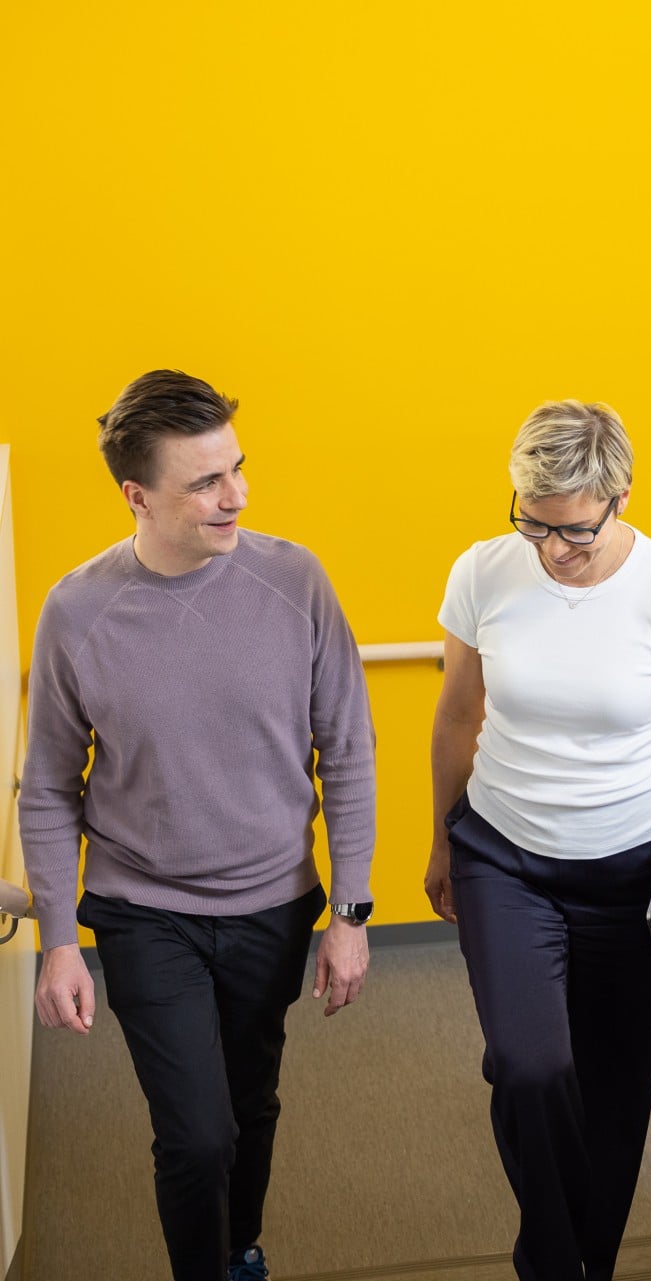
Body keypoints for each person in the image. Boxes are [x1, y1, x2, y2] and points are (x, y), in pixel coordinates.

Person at [19, 369, 376, 1281]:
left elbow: (349, 749)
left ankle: (237, 1246)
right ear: (137, 495)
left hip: (273, 905)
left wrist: (352, 913)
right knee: (196, 1133)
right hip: (144, 909)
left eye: (238, 468)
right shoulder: (78, 610)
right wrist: (58, 939)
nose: (238, 495)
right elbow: (50, 785)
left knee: (251, 1104)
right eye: (207, 482)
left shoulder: (295, 580)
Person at [424, 400, 651, 1281]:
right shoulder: (484, 572)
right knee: (528, 1068)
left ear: (621, 497)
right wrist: (444, 841)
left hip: (633, 875)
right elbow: (455, 715)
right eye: (534, 522)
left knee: (615, 1094)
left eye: (576, 530)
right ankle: (554, 1265)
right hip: (504, 858)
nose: (554, 548)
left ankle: (581, 1265)